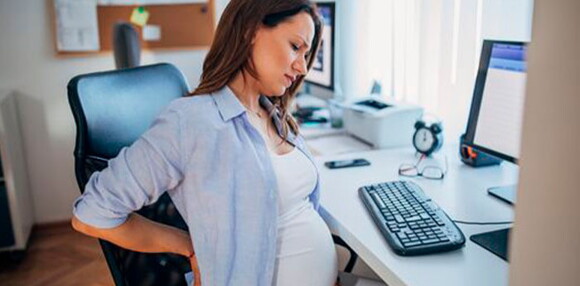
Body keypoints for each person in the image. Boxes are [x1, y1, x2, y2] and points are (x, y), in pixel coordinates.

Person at [71, 0, 339, 285]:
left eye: (306, 54)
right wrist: (188, 244)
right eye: (295, 46)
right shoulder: (191, 121)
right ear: (250, 30)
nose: (302, 67)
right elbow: (91, 214)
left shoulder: (274, 113)